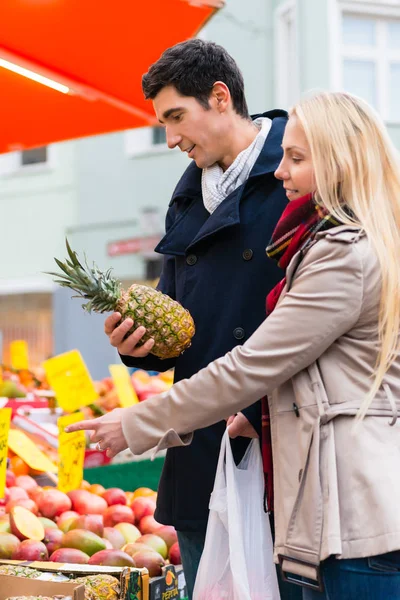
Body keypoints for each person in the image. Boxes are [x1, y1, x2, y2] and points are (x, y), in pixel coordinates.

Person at [68, 90, 400, 599]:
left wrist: (138, 423)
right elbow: (311, 368)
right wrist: (259, 412)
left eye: (297, 158)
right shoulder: (320, 241)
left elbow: (254, 365)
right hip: (329, 507)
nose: (282, 171)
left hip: (353, 516)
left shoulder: (343, 255)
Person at [102, 39, 296, 599]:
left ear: (219, 97)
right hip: (202, 449)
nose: (170, 138)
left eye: (176, 117)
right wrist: (141, 345)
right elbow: (181, 312)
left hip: (275, 448)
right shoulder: (187, 196)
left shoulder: (294, 175)